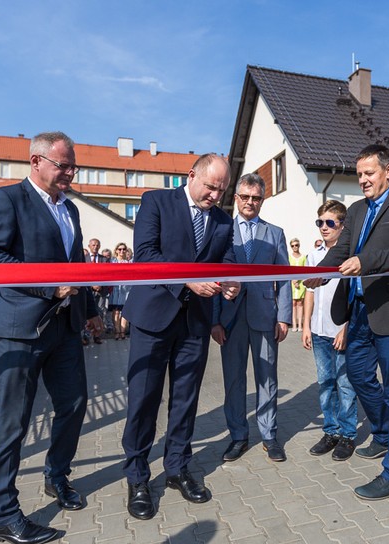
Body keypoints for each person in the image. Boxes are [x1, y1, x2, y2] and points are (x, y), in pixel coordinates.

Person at [0, 131, 103, 544]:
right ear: (36, 161)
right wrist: (50, 287)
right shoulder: (6, 199)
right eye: (62, 165)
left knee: (74, 404)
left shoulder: (71, 210)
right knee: (14, 422)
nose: (69, 173)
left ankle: (56, 476)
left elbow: (76, 266)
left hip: (64, 328)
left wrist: (92, 313)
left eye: (72, 166)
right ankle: (3, 514)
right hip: (19, 329)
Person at [304, 144, 389, 500]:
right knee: (358, 375)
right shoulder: (357, 211)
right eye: (359, 174)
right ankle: (385, 433)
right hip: (358, 311)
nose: (362, 180)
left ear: (388, 171)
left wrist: (367, 261)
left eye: (369, 173)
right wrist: (319, 273)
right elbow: (341, 251)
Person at [121, 153, 240, 521]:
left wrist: (234, 279)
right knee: (144, 398)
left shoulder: (222, 219)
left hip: (195, 323)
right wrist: (187, 279)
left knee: (186, 398)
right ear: (192, 176)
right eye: (210, 187)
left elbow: (229, 257)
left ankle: (177, 467)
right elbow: (145, 255)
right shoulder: (156, 202)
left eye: (221, 190)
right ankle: (138, 476)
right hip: (154, 316)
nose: (215, 196)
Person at [212, 173, 292, 463]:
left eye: (255, 198)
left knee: (267, 379)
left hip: (264, 316)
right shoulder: (221, 231)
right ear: (236, 198)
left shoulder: (275, 233)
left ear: (262, 200)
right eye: (245, 197)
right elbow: (213, 278)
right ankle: (238, 436)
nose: (250, 202)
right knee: (233, 380)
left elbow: (284, 279)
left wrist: (284, 317)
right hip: (230, 320)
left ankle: (269, 436)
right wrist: (214, 321)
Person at [302, 200, 358, 461]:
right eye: (319, 222)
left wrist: (346, 328)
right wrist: (305, 325)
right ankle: (331, 431)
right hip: (319, 330)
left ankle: (348, 435)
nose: (323, 227)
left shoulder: (350, 257)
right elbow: (309, 293)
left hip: (340, 331)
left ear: (342, 225)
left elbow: (354, 297)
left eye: (329, 223)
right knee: (325, 383)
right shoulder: (314, 255)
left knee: (345, 384)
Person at [86, 238, 110, 343]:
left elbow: (107, 274)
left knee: (100, 312)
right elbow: (82, 274)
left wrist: (100, 284)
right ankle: (86, 336)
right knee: (86, 313)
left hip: (101, 290)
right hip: (87, 290)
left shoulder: (104, 259)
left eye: (97, 245)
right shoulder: (83, 259)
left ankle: (97, 336)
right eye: (93, 245)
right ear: (89, 246)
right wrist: (91, 285)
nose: (95, 247)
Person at [110, 243, 132, 340]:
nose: (122, 251)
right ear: (116, 250)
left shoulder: (129, 262)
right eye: (120, 249)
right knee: (116, 312)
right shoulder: (112, 262)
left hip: (126, 290)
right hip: (115, 289)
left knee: (124, 311)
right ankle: (117, 331)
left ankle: (123, 332)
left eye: (124, 249)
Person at [289, 238, 307, 331]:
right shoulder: (289, 257)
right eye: (292, 246)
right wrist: (293, 280)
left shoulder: (303, 257)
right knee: (293, 303)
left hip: (300, 283)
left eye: (296, 245)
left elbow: (304, 269)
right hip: (291, 283)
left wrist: (298, 280)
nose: (295, 247)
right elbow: (287, 270)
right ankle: (294, 325)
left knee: (300, 303)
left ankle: (300, 325)